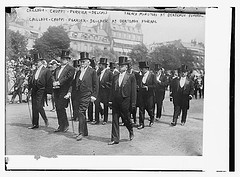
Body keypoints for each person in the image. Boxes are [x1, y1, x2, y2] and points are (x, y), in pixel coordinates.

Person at [66, 52, 99, 141]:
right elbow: (73, 84)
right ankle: (85, 132)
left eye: (84, 61)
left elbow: (96, 85)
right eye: (81, 61)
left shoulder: (92, 72)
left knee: (81, 111)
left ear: (88, 62)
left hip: (87, 94)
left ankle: (80, 133)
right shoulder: (78, 72)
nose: (82, 63)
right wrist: (69, 92)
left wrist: (94, 96)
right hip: (78, 95)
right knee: (82, 113)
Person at [108, 56, 136, 145]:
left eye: (122, 66)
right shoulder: (115, 76)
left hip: (125, 101)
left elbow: (133, 92)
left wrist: (133, 103)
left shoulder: (131, 77)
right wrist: (110, 100)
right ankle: (115, 138)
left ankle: (130, 130)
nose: (120, 67)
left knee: (126, 119)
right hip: (116, 101)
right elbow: (112, 90)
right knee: (115, 120)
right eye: (119, 66)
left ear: (126, 67)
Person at [28, 53, 53, 129]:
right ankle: (35, 124)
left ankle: (45, 119)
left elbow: (49, 82)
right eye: (36, 61)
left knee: (39, 106)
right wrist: (28, 89)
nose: (36, 63)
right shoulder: (34, 71)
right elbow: (31, 81)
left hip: (42, 90)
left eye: (38, 61)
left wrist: (49, 93)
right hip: (34, 90)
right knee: (34, 107)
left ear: (42, 62)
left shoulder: (46, 70)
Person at [53, 50, 75, 132]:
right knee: (57, 108)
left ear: (68, 60)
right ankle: (60, 125)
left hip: (65, 90)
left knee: (61, 107)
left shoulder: (71, 69)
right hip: (56, 90)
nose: (63, 60)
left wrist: (59, 82)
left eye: (65, 59)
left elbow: (68, 78)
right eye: (62, 58)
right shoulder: (57, 68)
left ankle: (65, 125)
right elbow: (53, 76)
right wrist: (54, 82)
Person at [93, 57, 113, 125]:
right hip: (98, 92)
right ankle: (96, 119)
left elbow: (111, 83)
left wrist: (106, 85)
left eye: (101, 65)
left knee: (105, 105)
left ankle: (105, 119)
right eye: (99, 64)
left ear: (104, 65)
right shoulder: (98, 72)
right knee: (96, 104)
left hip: (105, 92)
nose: (99, 66)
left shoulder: (109, 73)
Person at [137, 61, 156, 129]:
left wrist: (148, 87)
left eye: (142, 69)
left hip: (149, 95)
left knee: (149, 109)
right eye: (140, 69)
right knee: (141, 109)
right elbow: (138, 83)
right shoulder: (140, 75)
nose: (141, 70)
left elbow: (155, 85)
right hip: (141, 95)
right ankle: (141, 123)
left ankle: (151, 118)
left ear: (146, 69)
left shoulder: (152, 75)